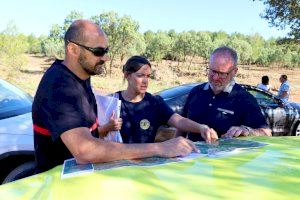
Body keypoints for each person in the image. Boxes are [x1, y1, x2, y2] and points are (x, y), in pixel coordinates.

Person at [32, 20, 199, 173]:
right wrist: (160, 148)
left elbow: (85, 130)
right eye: (98, 51)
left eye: (106, 50)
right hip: (60, 187)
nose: (106, 58)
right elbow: (85, 150)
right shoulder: (60, 86)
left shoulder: (82, 77)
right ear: (73, 49)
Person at [100, 55, 218, 144]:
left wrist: (201, 128)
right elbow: (90, 137)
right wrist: (107, 128)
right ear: (127, 75)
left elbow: (179, 121)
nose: (145, 81)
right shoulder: (111, 102)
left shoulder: (154, 102)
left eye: (148, 76)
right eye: (140, 75)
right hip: (117, 166)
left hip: (146, 167)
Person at [180, 46, 272, 141]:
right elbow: (181, 125)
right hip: (193, 154)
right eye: (212, 71)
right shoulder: (196, 92)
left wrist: (247, 130)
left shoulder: (245, 99)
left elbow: (266, 133)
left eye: (222, 73)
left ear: (234, 72)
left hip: (226, 155)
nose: (215, 78)